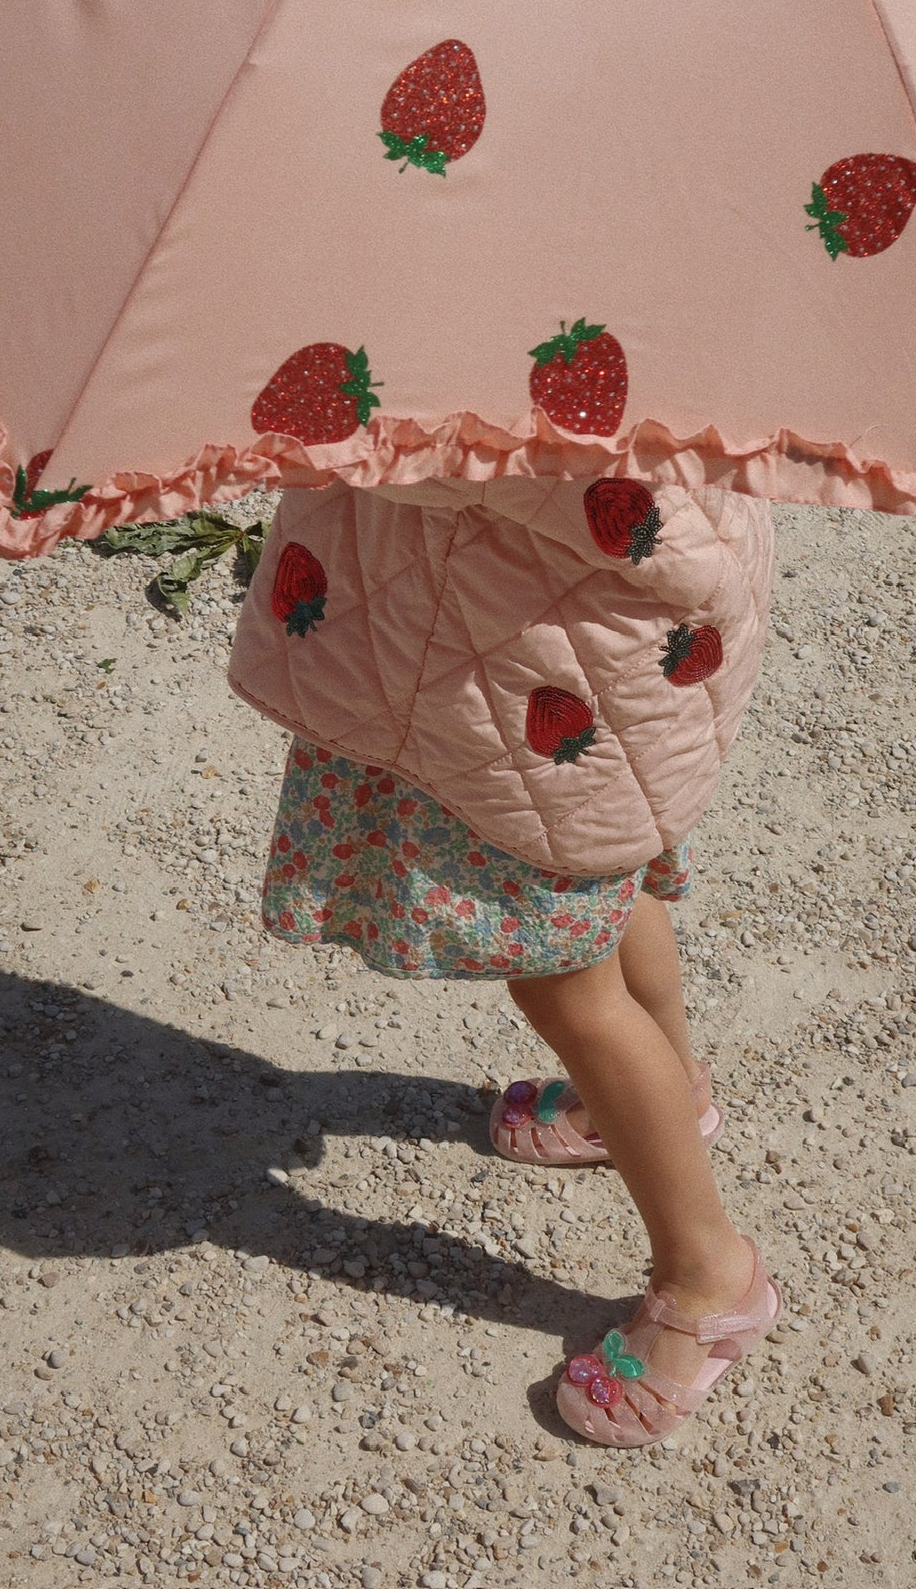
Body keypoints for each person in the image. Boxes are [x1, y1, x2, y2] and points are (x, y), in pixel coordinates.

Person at [228, 472, 782, 1447]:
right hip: (578, 657)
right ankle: (660, 1099)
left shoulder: (518, 373)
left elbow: (504, 473)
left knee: (569, 985)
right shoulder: (692, 348)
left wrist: (392, 431)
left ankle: (709, 1271)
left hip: (527, 660)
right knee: (609, 891)